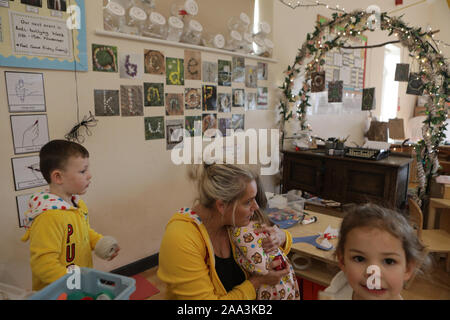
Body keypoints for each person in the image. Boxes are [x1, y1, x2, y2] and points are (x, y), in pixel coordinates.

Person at [157, 163, 292, 299]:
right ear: (221, 205)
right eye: (248, 202)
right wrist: (257, 282)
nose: (256, 207)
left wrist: (282, 237)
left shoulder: (233, 222)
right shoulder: (180, 239)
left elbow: (267, 250)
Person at [21, 140, 120, 291]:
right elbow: (44, 265)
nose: (89, 175)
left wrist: (100, 243)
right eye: (82, 171)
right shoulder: (48, 218)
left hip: (78, 286)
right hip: (58, 292)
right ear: (58, 177)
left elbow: (83, 233)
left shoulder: (77, 205)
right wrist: (76, 282)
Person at [323, 203, 430, 300]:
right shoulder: (334, 292)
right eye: (359, 258)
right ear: (342, 261)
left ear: (407, 269)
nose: (373, 273)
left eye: (389, 261)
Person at [230, 204, 300, 300]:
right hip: (286, 285)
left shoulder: (241, 230)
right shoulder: (259, 221)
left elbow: (261, 268)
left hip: (274, 289)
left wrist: (241, 260)